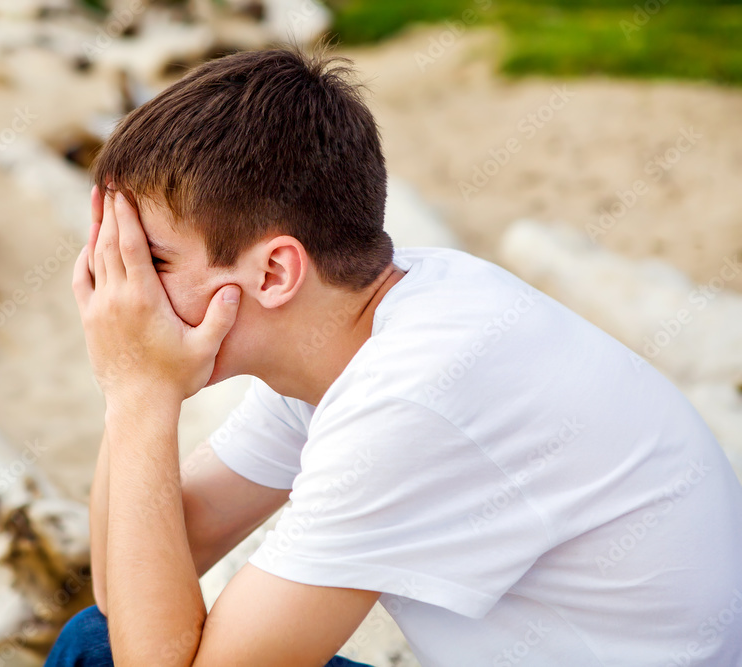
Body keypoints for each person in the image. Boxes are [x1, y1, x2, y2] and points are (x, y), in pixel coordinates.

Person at [46, 48, 742, 666]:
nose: (125, 290)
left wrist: (137, 390)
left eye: (152, 260)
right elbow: (121, 577)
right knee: (97, 640)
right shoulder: (357, 321)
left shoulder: (413, 393)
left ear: (274, 273)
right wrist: (129, 384)